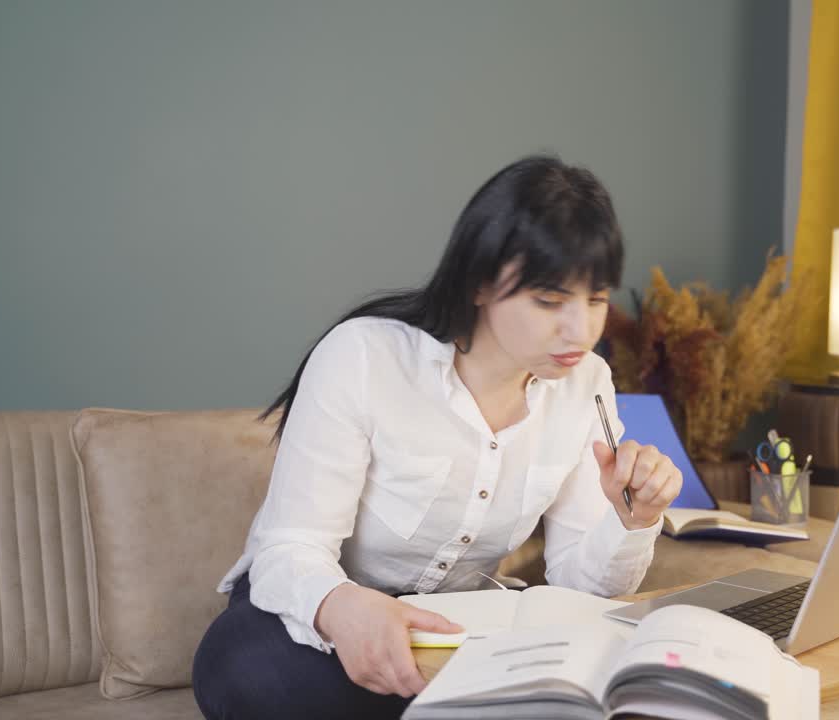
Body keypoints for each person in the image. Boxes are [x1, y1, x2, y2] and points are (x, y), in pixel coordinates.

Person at [191, 155, 684, 720]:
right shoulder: (364, 357)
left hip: (458, 626)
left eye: (596, 300)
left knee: (609, 665)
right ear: (478, 283)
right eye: (549, 301)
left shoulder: (587, 383)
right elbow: (290, 549)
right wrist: (347, 610)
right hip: (321, 609)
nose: (581, 330)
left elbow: (578, 584)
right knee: (245, 670)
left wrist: (633, 518)